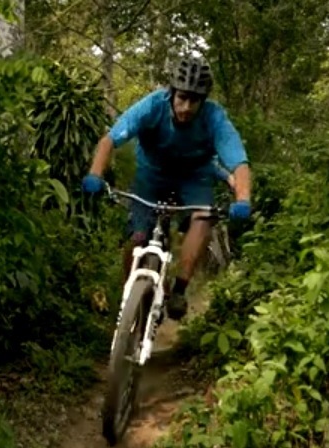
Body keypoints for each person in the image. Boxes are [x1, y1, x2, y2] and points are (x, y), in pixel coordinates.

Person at [81, 55, 253, 320]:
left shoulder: (214, 118)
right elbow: (109, 140)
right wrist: (95, 174)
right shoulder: (152, 106)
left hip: (194, 177)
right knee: (137, 237)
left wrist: (243, 198)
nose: (186, 107)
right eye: (182, 97)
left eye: (194, 100)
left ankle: (180, 289)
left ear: (203, 101)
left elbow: (238, 162)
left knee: (203, 218)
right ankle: (129, 295)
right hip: (151, 175)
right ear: (172, 93)